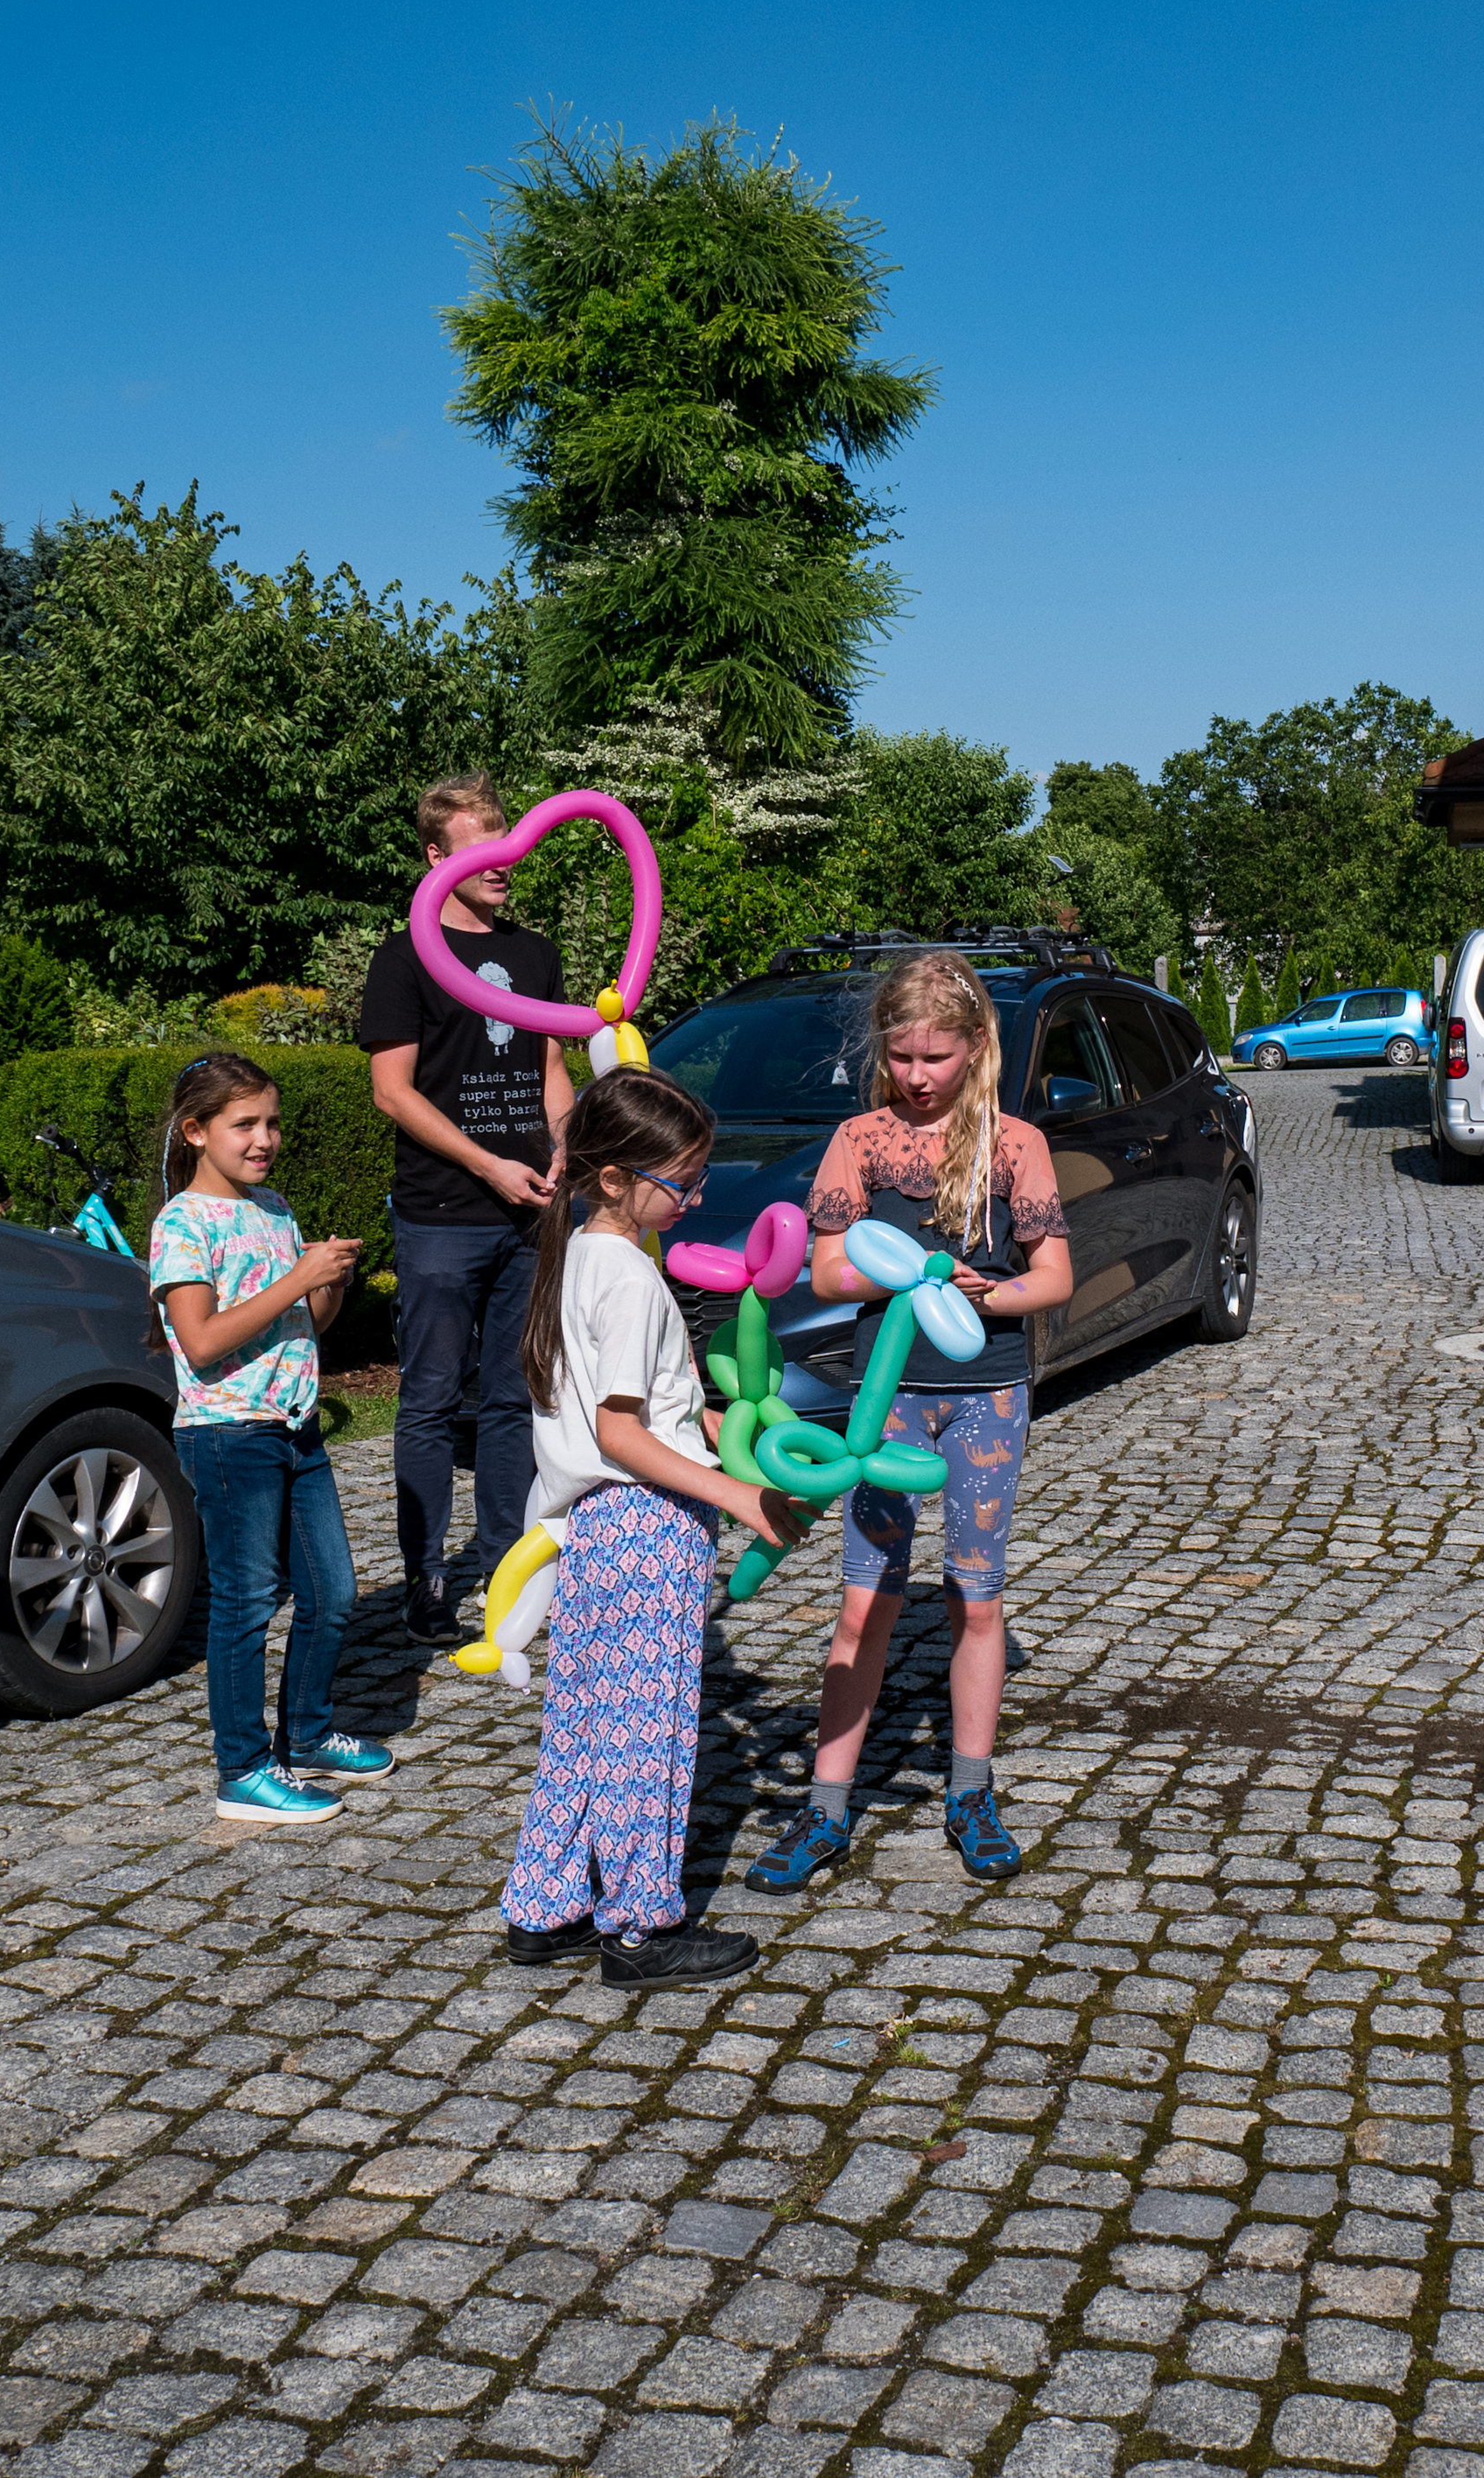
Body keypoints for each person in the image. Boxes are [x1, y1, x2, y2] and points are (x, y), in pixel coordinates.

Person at [748, 952, 1073, 1897]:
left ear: (976, 1048)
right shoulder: (859, 1139)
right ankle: (826, 1805)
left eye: (937, 1057)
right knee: (865, 1599)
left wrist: (992, 1289)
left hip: (987, 1396)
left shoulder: (1015, 1144)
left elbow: (1053, 1275)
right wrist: (909, 1277)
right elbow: (827, 1271)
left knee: (975, 1597)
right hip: (887, 1402)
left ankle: (971, 1793)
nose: (919, 1076)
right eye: (902, 1057)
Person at [500, 1065, 816, 1984]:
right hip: (646, 1527)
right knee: (649, 1730)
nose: (699, 1195)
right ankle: (640, 1924)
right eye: (684, 1180)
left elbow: (626, 1417)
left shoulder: (577, 1260)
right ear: (614, 1179)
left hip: (590, 1528)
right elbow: (621, 1434)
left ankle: (545, 1904)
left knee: (584, 1722)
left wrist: (714, 1429)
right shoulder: (632, 1279)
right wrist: (738, 1496)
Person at [360, 776, 573, 1645]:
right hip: (444, 1213)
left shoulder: (536, 954)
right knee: (432, 1398)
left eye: (508, 844)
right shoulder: (403, 956)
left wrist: (565, 1144)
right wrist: (488, 1164)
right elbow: (391, 1093)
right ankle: (425, 1578)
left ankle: (501, 1571)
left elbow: (551, 1070)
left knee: (514, 1398)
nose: (503, 865)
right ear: (437, 857)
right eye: (482, 847)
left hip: (530, 1214)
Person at [149, 1050, 382, 1824]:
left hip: (296, 1427)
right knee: (246, 1603)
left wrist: (329, 1286)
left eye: (272, 1122)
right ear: (195, 1131)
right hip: (229, 1434)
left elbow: (304, 1326)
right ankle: (242, 1769)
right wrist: (295, 1278)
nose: (264, 1138)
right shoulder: (181, 1223)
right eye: (244, 1123)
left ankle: (308, 1736)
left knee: (333, 1592)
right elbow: (204, 1341)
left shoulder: (275, 1207)